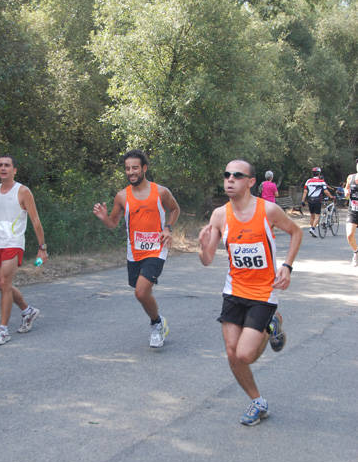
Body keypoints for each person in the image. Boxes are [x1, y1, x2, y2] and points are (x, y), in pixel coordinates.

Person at [199, 159, 303, 426]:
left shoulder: (268, 210)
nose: (230, 179)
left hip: (264, 292)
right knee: (232, 353)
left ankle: (271, 325)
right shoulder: (219, 215)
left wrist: (287, 267)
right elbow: (207, 259)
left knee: (245, 354)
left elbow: (296, 232)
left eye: (237, 175)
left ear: (250, 182)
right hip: (233, 290)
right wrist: (202, 247)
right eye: (226, 175)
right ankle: (258, 402)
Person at [93, 149, 180, 348]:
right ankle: (158, 319)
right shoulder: (122, 196)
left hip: (157, 249)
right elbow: (113, 223)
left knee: (140, 293)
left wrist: (168, 228)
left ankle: (156, 324)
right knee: (142, 292)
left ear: (144, 168)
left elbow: (175, 209)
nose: (131, 172)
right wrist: (104, 218)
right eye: (127, 169)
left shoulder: (161, 192)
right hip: (134, 251)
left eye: (134, 168)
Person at [0, 155, 47, 345]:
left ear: (14, 170)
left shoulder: (23, 191)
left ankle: (3, 330)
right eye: (0, 165)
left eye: (7, 165)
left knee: (5, 282)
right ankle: (28, 311)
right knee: (2, 285)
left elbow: (35, 220)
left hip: (14, 242)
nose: (3, 168)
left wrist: (42, 248)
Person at [301, 167, 334, 237]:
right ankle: (313, 228)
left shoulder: (308, 181)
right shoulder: (322, 182)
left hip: (310, 199)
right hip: (317, 199)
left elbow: (305, 191)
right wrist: (331, 197)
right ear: (319, 173)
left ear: (312, 173)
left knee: (312, 215)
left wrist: (303, 201)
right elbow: (325, 191)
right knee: (317, 216)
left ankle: (313, 229)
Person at [345, 158, 358, 267]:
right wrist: (346, 192)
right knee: (349, 235)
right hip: (353, 211)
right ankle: (356, 252)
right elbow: (346, 189)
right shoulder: (351, 177)